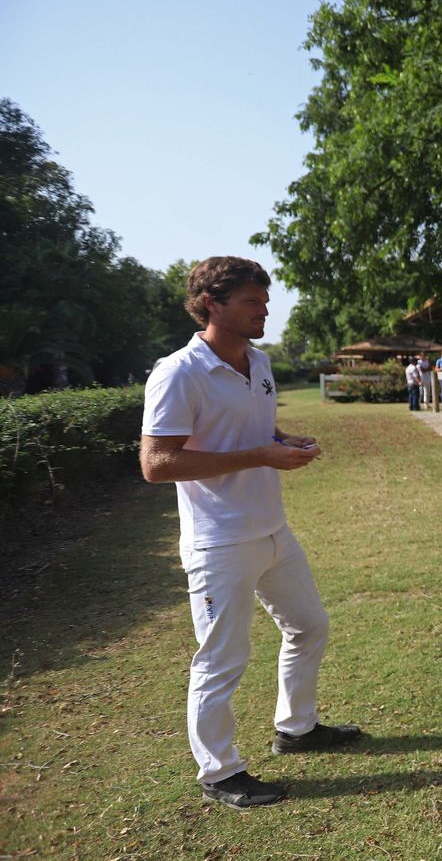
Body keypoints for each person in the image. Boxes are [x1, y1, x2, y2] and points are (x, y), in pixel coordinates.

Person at [140, 256, 362, 809]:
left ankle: (297, 728)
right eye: (251, 302)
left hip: (272, 530)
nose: (265, 310)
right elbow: (157, 463)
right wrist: (259, 455)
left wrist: (283, 440)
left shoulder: (258, 361)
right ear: (212, 304)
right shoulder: (178, 372)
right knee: (221, 658)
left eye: (265, 300)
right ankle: (218, 772)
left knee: (310, 626)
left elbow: (255, 428)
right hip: (219, 541)